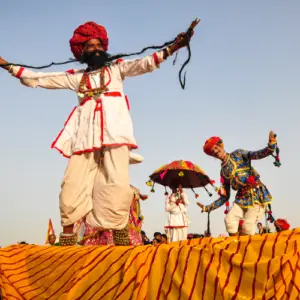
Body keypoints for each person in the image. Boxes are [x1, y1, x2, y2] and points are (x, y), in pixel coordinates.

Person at [0, 22, 193, 246]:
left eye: (98, 44)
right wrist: (7, 66)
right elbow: (41, 78)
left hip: (115, 134)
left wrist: (175, 46)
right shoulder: (75, 76)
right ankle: (68, 237)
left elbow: (145, 63)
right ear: (82, 52)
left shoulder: (118, 69)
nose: (95, 48)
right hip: (84, 139)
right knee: (71, 184)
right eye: (90, 45)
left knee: (116, 183)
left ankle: (120, 234)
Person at [197, 131, 277, 236]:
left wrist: (271, 146)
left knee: (247, 228)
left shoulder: (238, 154)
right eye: (212, 152)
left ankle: (250, 250)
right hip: (241, 198)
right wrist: (209, 207)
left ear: (221, 146)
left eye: (216, 148)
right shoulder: (223, 172)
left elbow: (256, 154)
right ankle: (237, 247)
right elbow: (225, 197)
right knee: (229, 221)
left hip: (256, 195)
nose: (215, 152)